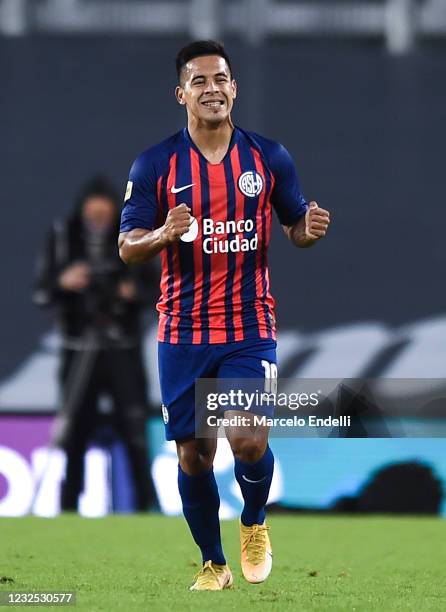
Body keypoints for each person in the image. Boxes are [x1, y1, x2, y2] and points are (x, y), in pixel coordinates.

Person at [118, 40, 330, 590]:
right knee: (194, 455)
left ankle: (254, 521)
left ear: (234, 88)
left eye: (221, 79)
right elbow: (127, 246)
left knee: (249, 439)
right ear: (181, 94)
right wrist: (164, 231)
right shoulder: (156, 164)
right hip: (183, 331)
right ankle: (213, 564)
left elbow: (294, 225)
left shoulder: (268, 157)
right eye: (199, 81)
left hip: (248, 327)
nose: (212, 89)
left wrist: (305, 232)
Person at [34, 176, 158, 512]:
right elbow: (42, 291)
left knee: (134, 430)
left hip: (122, 347)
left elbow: (159, 290)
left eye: (105, 213)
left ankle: (147, 506)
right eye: (94, 213)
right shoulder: (64, 238)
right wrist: (65, 282)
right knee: (74, 431)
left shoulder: (133, 238)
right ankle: (69, 505)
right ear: (84, 212)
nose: (99, 218)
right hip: (79, 345)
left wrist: (131, 294)